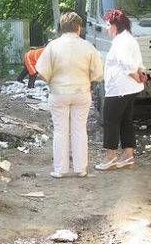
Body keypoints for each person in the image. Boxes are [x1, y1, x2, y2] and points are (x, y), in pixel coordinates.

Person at [36, 12, 103, 178]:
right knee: (80, 130)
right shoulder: (88, 46)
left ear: (61, 28)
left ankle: (60, 169)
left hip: (59, 93)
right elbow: (98, 74)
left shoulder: (53, 46)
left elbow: (42, 73)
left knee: (60, 130)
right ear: (79, 28)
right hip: (81, 92)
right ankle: (81, 168)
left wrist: (53, 80)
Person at [95, 9, 145, 171]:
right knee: (125, 121)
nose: (106, 28)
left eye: (108, 25)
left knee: (111, 121)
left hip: (119, 89)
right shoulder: (130, 38)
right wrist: (138, 76)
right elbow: (137, 62)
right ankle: (128, 155)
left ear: (116, 25)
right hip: (129, 89)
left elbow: (126, 62)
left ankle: (110, 157)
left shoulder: (120, 41)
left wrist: (135, 76)